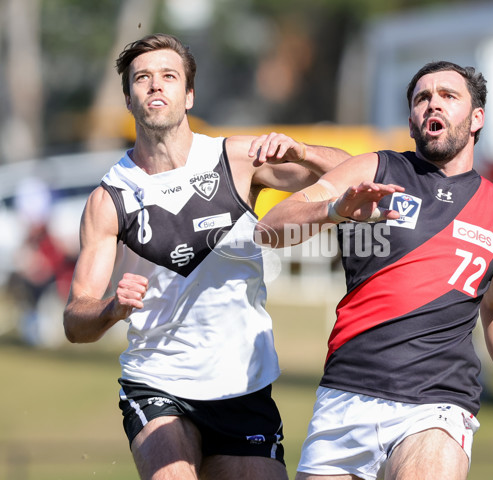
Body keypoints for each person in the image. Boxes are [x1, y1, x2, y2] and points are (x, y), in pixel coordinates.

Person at [63, 33, 349, 480]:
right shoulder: (109, 198)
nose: (156, 86)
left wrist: (306, 152)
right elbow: (75, 321)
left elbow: (358, 173)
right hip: (157, 383)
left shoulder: (237, 158)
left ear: (189, 94)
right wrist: (111, 309)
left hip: (243, 385)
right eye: (143, 78)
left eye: (168, 76)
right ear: (128, 97)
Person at [257, 61, 493, 480]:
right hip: (345, 396)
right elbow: (268, 229)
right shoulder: (374, 170)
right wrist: (334, 210)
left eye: (448, 96)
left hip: (437, 404)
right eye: (422, 98)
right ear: (412, 120)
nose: (433, 104)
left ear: (476, 118)